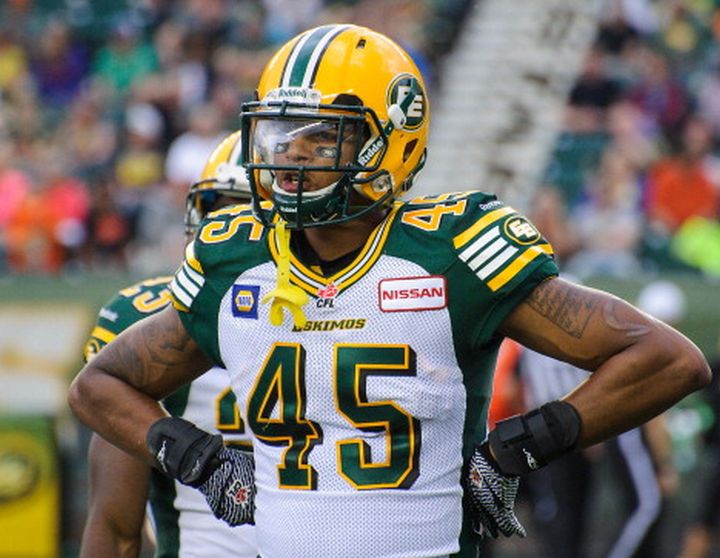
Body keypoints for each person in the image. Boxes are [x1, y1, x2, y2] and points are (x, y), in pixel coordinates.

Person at [68, 24, 711, 558]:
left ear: (390, 138)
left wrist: (518, 447)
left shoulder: (451, 251)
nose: (291, 157)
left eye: (322, 136)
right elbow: (98, 386)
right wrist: (199, 459)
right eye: (280, 134)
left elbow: (669, 360)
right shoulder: (235, 257)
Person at [78, 131, 258, 558]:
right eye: (221, 213)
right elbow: (115, 527)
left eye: (249, 215)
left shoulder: (366, 307)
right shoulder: (144, 319)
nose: (232, 234)